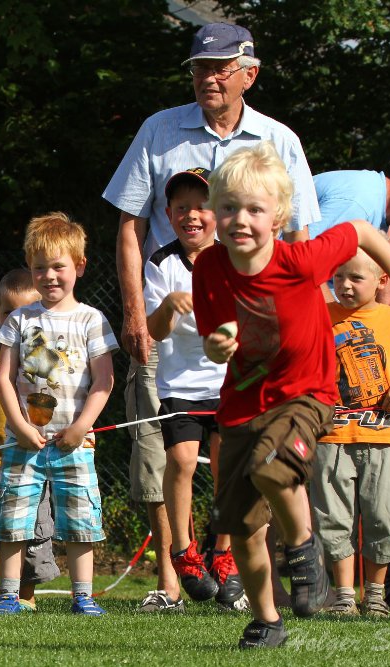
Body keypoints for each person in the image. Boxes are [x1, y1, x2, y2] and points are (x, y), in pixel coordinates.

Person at [103, 22, 320, 601]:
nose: (209, 77)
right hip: (169, 336)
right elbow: (129, 223)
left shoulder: (279, 140)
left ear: (250, 73)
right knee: (162, 458)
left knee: (243, 453)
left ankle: (235, 568)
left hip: (252, 336)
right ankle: (174, 577)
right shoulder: (160, 129)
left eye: (222, 67)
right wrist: (133, 313)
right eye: (200, 67)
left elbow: (299, 237)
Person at [191, 143, 390, 649]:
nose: (240, 219)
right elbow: (213, 343)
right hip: (241, 407)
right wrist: (216, 343)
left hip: (307, 396)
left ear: (279, 215)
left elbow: (361, 231)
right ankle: (266, 620)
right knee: (245, 527)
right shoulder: (209, 267)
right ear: (214, 211)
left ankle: (303, 547)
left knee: (272, 466)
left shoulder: (301, 258)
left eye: (254, 209)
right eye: (228, 207)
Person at [0, 213, 117, 616]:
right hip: (24, 442)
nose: (49, 276)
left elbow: (104, 382)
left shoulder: (91, 320)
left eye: (58, 266)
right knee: (14, 518)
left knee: (80, 520)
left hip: (73, 443)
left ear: (78, 266)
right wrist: (20, 427)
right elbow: (4, 379)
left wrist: (82, 427)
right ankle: (8, 595)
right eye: (39, 268)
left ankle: (84, 597)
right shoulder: (19, 320)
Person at [137, 167, 241, 613]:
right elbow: (154, 331)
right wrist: (167, 307)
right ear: (169, 214)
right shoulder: (161, 263)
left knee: (226, 468)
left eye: (200, 207)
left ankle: (224, 552)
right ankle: (184, 551)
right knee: (180, 460)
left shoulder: (235, 257)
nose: (191, 216)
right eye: (182, 208)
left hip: (229, 383)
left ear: (217, 212)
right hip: (180, 385)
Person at [313, 249, 390, 617]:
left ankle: (376, 593)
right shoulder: (320, 317)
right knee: (334, 517)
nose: (345, 285)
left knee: (383, 516)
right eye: (338, 277)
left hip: (384, 437)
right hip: (331, 438)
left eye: (356, 278)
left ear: (382, 281)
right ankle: (346, 595)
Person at [0, 269, 60, 610]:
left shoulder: (46, 362)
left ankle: (26, 595)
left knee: (32, 527)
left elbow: (60, 400)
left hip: (30, 462)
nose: (17, 321)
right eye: (9, 312)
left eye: (27, 313)